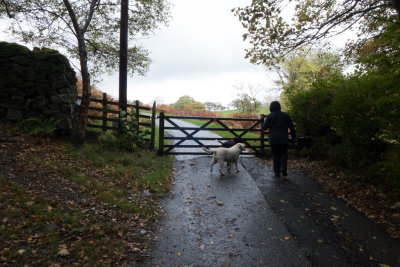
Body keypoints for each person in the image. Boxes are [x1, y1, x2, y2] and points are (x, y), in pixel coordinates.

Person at [262, 101, 296, 177]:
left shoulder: (269, 116)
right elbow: (291, 127)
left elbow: (264, 127)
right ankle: (284, 169)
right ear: (279, 107)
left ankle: (277, 172)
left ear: (271, 107)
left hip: (273, 139)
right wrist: (293, 137)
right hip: (283, 139)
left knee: (275, 155)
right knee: (283, 154)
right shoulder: (286, 115)